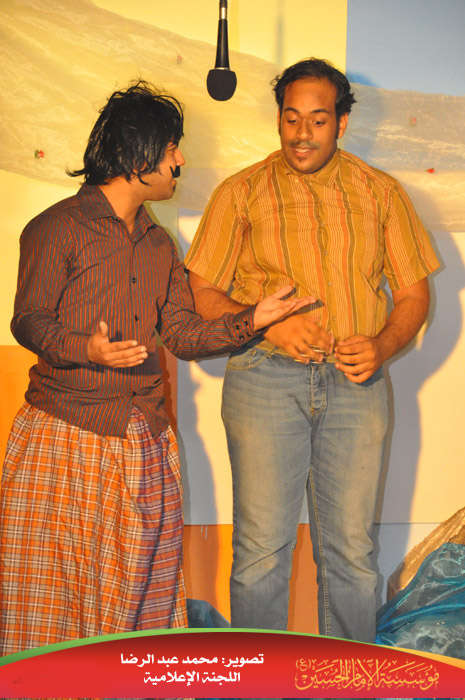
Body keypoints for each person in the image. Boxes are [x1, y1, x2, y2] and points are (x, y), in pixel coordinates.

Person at [0, 81, 313, 656]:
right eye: (172, 147)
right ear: (138, 152)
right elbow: (29, 320)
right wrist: (87, 348)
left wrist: (254, 319)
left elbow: (185, 337)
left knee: (141, 607)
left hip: (144, 440)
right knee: (55, 607)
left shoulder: (159, 243)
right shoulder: (55, 228)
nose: (180, 160)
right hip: (67, 435)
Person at [185, 58, 440, 642]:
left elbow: (414, 294)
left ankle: (347, 676)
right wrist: (268, 328)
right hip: (263, 377)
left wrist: (382, 345)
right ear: (279, 118)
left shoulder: (381, 193)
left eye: (318, 120)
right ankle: (258, 677)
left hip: (356, 384)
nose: (302, 134)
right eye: (291, 118)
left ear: (341, 124)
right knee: (260, 551)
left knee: (352, 551)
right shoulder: (240, 193)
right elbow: (200, 292)